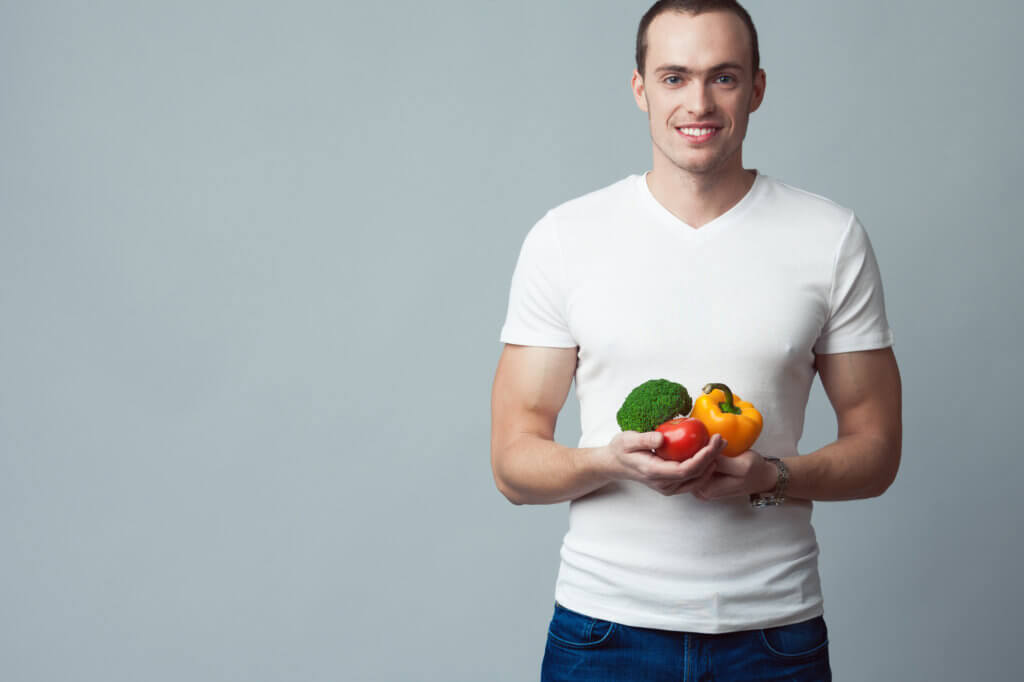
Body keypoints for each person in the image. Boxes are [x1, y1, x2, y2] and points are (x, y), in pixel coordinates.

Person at [490, 0, 902, 680]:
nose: (699, 103)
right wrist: (613, 463)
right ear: (640, 88)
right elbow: (511, 465)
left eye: (724, 77)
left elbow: (877, 450)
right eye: (675, 77)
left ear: (758, 88)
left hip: (773, 638)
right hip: (603, 635)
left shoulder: (829, 238)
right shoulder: (566, 239)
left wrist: (772, 477)